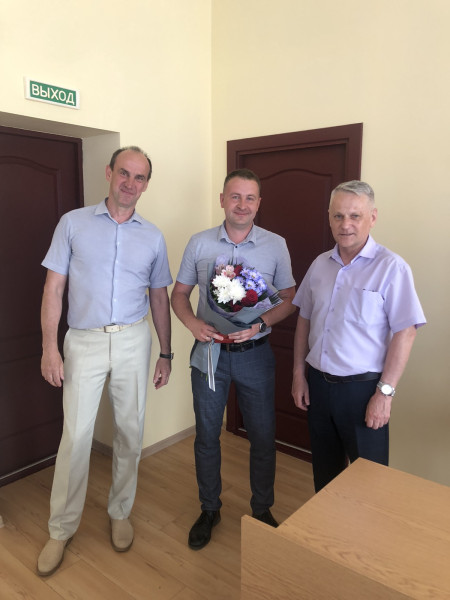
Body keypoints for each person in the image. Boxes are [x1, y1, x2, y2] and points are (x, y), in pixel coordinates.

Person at [37, 146, 173, 577]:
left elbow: (159, 298)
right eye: (124, 173)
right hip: (84, 341)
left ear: (146, 185)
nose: (130, 183)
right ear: (109, 173)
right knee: (76, 437)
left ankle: (120, 511)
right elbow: (54, 289)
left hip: (134, 338)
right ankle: (60, 529)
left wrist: (166, 352)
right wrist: (49, 347)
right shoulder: (73, 224)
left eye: (140, 177)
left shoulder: (153, 236)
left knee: (130, 432)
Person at [171, 168, 296, 550]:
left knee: (263, 437)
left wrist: (261, 323)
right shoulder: (199, 243)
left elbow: (290, 298)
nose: (242, 204)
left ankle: (262, 509)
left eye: (250, 198)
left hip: (255, 355)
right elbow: (179, 295)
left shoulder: (275, 244)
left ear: (259, 203)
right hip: (209, 354)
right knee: (207, 436)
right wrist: (192, 323)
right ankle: (210, 508)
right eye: (235, 196)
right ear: (222, 199)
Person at [291, 180, 426, 493]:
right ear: (329, 217)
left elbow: (406, 332)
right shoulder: (319, 265)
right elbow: (304, 320)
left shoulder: (392, 268)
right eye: (338, 216)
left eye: (355, 216)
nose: (345, 225)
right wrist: (299, 374)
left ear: (372, 217)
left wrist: (385, 394)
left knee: (369, 484)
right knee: (325, 478)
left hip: (363, 392)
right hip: (319, 387)